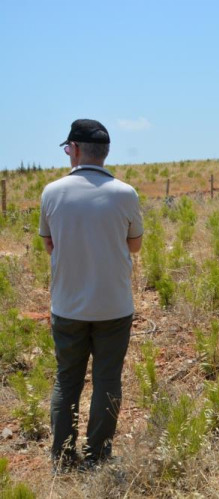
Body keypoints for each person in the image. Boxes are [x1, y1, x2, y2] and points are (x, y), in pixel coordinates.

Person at [39, 119, 143, 471]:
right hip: (113, 305)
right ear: (106, 152)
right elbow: (136, 245)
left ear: (76, 149)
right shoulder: (125, 193)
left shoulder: (52, 192)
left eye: (68, 148)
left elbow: (49, 243)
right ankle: (98, 455)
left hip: (68, 305)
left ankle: (63, 457)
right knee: (107, 379)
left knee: (67, 380)